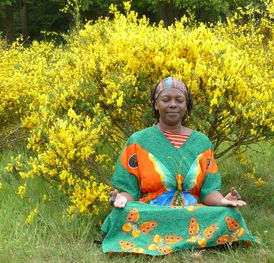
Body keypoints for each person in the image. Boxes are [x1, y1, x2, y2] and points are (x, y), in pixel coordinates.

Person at [101, 77, 260, 255]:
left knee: (228, 214)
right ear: (155, 104)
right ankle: (200, 240)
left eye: (179, 100)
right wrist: (121, 199)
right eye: (166, 99)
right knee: (122, 214)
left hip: (191, 211)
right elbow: (129, 190)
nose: (173, 105)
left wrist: (223, 201)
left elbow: (208, 192)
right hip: (153, 211)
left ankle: (152, 240)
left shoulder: (202, 142)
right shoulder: (138, 141)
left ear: (186, 105)